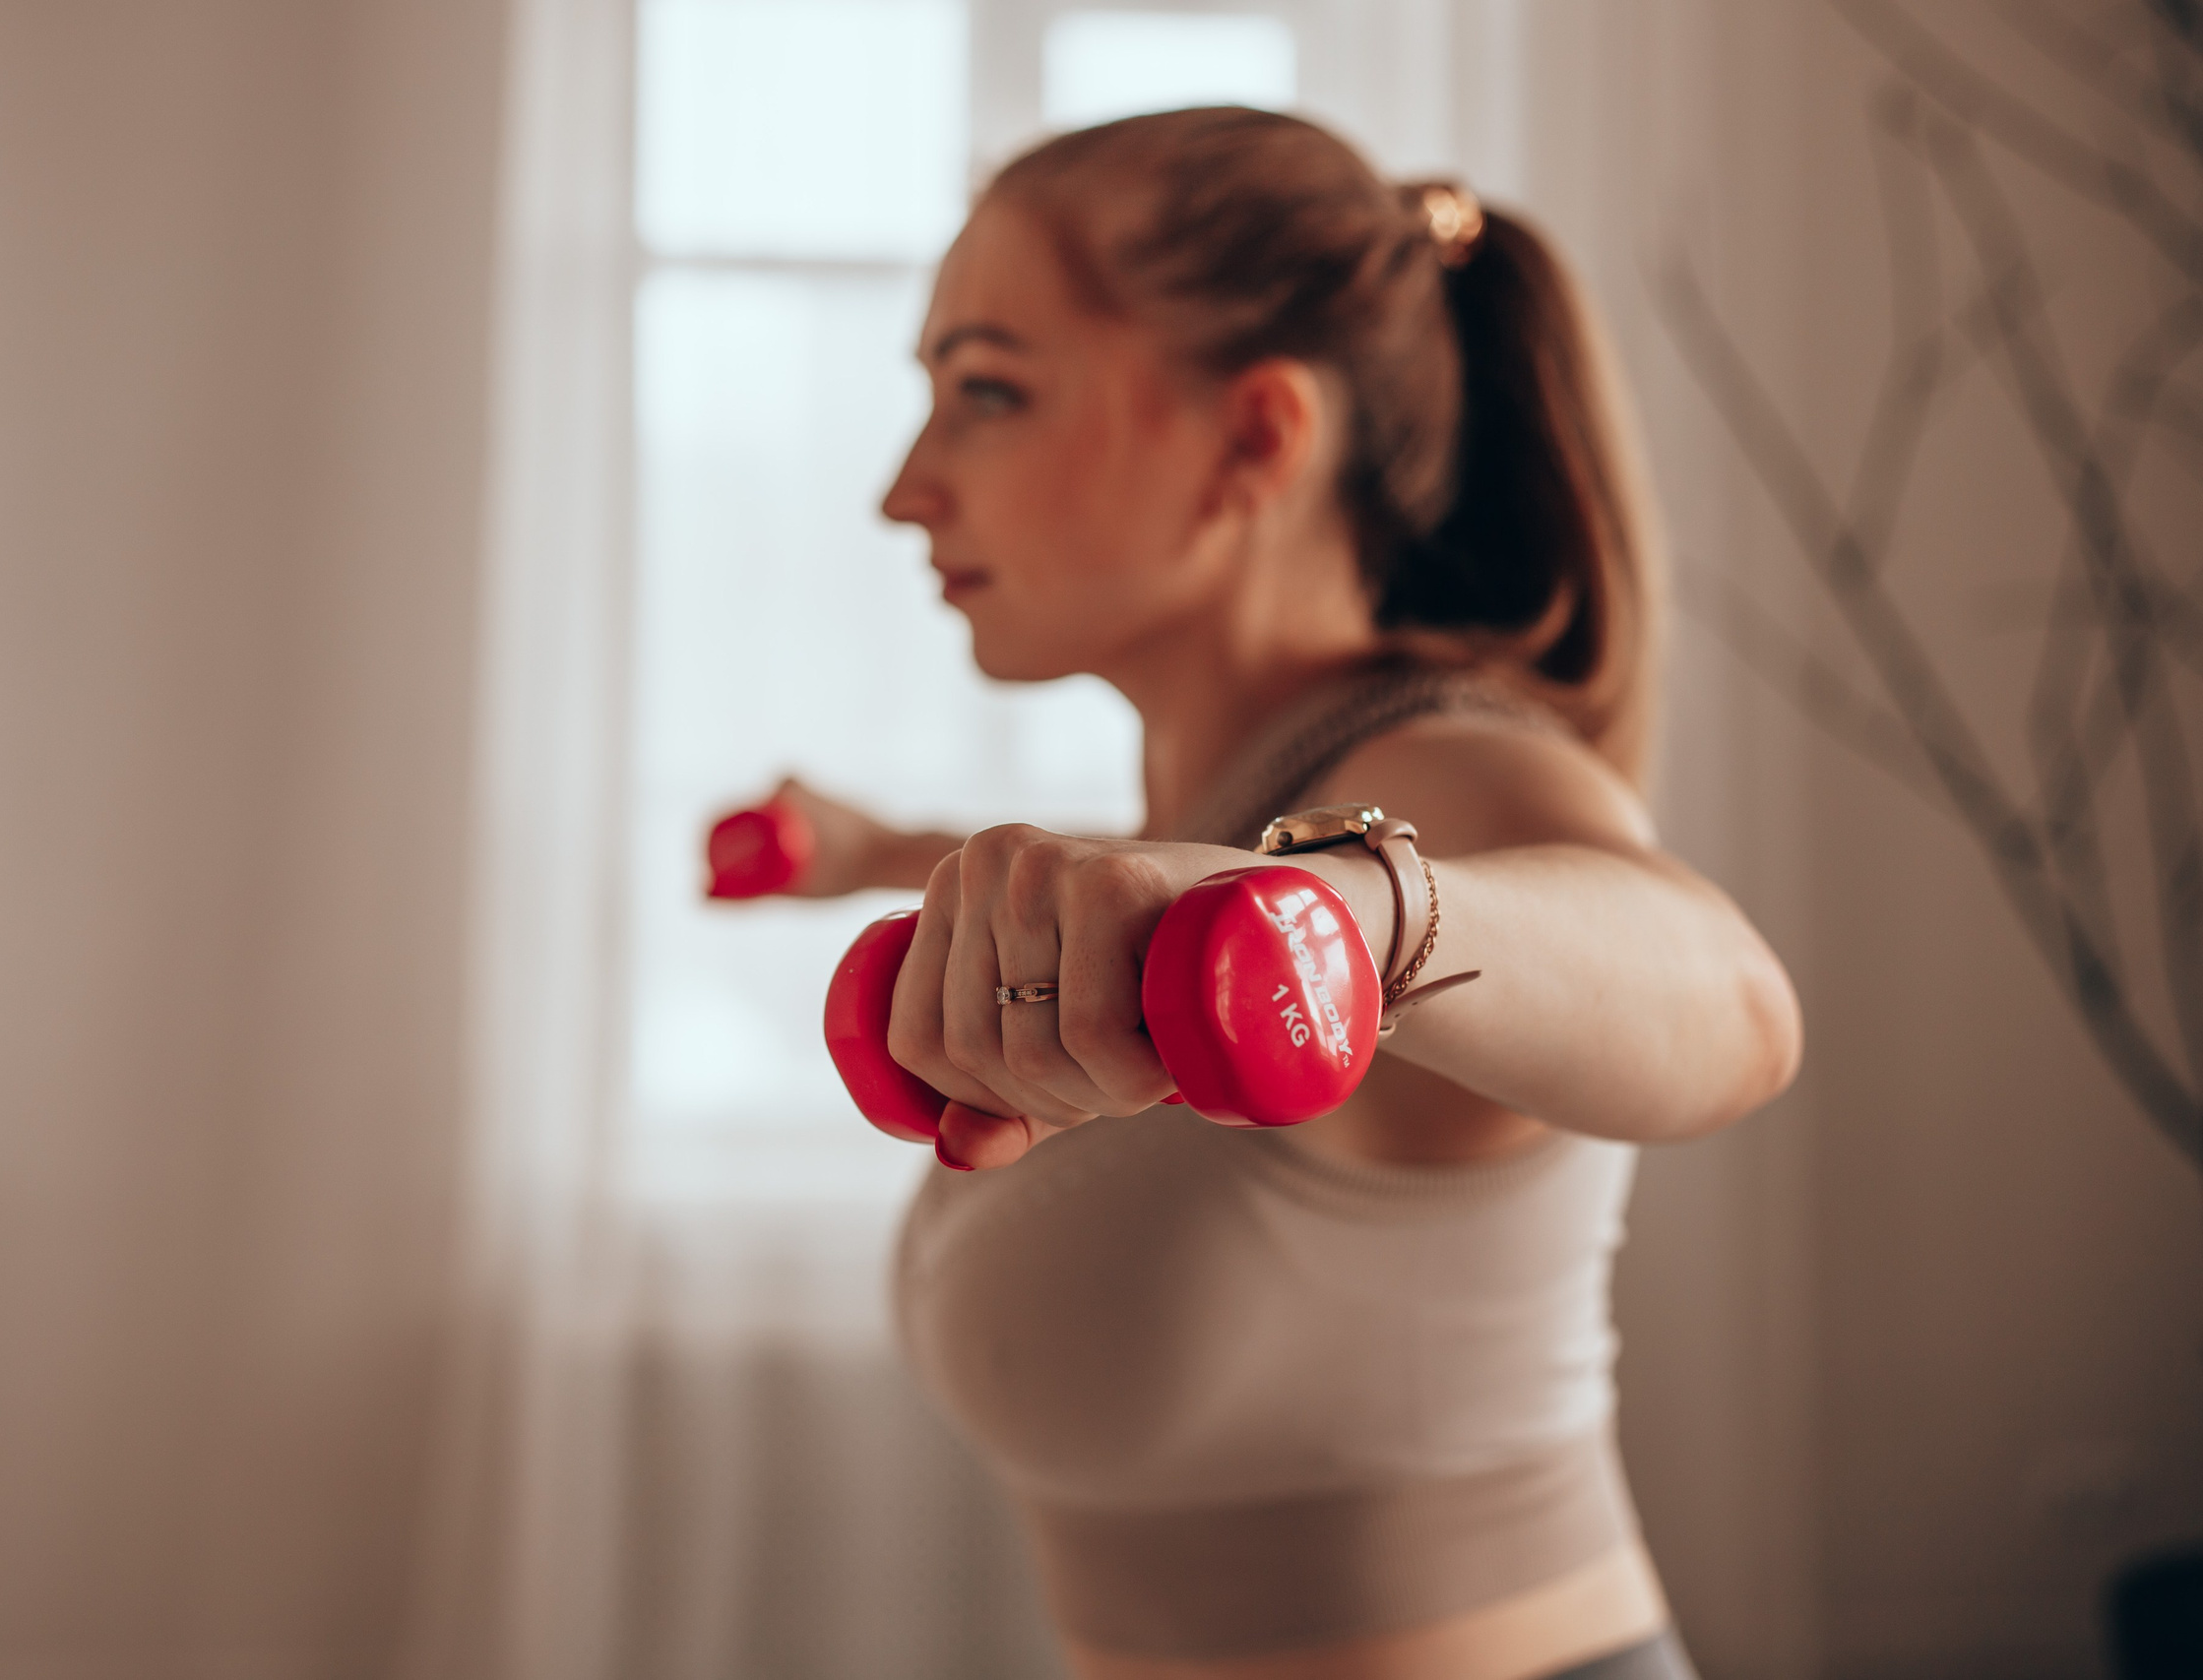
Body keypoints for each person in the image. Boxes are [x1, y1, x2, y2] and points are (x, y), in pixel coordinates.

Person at [725, 108, 1800, 1680]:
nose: (908, 488)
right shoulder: (1244, 799)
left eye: (987, 392)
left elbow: (1732, 1003)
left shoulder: (1442, 775)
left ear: (1254, 438)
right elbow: (1168, 893)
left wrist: (1359, 926)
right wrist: (871, 851)